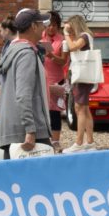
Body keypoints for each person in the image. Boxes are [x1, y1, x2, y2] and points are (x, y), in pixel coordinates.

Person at [0, 8, 52, 158]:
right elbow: (23, 94)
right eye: (41, 24)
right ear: (33, 26)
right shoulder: (26, 53)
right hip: (26, 134)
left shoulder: (14, 49)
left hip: (14, 130)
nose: (44, 28)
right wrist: (30, 130)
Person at [66, 17, 102, 150]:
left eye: (70, 28)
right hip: (83, 76)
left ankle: (79, 143)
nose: (68, 31)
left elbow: (73, 47)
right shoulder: (85, 36)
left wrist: (66, 34)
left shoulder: (84, 36)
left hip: (82, 78)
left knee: (80, 109)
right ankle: (90, 141)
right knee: (84, 109)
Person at [41, 10, 70, 142]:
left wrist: (52, 56)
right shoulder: (40, 37)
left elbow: (63, 61)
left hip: (56, 79)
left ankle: (55, 141)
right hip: (42, 77)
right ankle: (42, 139)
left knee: (54, 112)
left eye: (54, 25)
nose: (51, 28)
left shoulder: (62, 40)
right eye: (49, 25)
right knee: (41, 109)